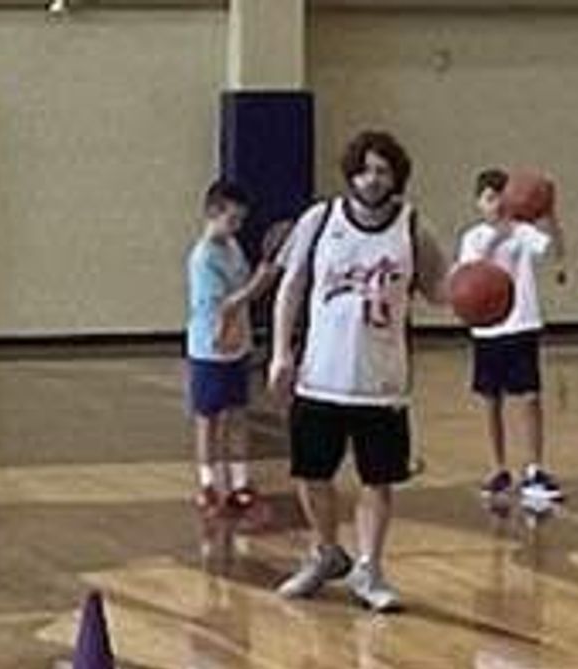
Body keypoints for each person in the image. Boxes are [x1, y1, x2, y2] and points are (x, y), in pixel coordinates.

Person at [269, 129, 456, 613]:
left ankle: (369, 568)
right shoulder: (320, 219)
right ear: (351, 172)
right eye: (366, 169)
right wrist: (281, 353)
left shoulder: (413, 227)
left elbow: (441, 291)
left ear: (396, 177)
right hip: (320, 374)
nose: (372, 179)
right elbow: (292, 287)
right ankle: (327, 553)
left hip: (381, 381)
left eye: (383, 170)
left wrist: (482, 280)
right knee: (312, 474)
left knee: (378, 480)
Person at [459, 167, 565, 506]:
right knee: (491, 400)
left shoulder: (523, 231)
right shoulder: (473, 237)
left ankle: (534, 468)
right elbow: (471, 274)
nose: (496, 204)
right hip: (488, 327)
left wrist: (548, 214)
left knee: (530, 397)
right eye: (489, 198)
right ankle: (497, 468)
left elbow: (554, 252)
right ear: (478, 203)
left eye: (501, 197)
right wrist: (498, 235)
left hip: (522, 322)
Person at [184, 179, 279, 515]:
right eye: (232, 219)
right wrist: (259, 285)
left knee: (238, 415)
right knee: (208, 418)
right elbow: (226, 304)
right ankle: (208, 483)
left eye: (240, 220)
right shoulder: (203, 258)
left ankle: (239, 482)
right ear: (212, 213)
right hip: (210, 348)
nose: (237, 226)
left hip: (237, 345)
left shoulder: (233, 248)